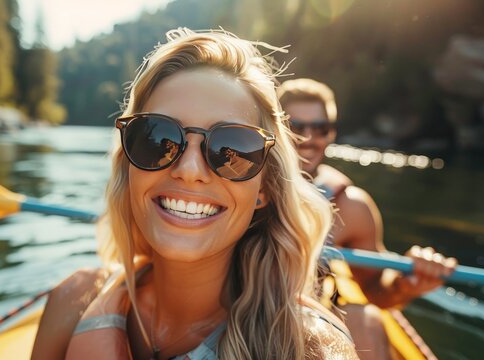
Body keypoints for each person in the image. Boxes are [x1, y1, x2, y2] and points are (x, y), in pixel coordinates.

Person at [31, 29, 359, 359]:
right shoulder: (72, 302)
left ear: (266, 189)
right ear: (128, 165)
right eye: (156, 137)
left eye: (231, 146)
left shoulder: (310, 348)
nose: (189, 169)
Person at [278, 78, 457, 359]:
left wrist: (408, 283)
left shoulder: (352, 208)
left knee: (366, 319)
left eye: (320, 128)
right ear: (274, 127)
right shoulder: (242, 190)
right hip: (242, 313)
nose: (308, 138)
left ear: (332, 134)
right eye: (295, 127)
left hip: (309, 317)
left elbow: (377, 291)